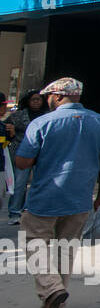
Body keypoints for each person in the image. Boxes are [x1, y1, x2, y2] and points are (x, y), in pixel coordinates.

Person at [12, 78, 100, 308]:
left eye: (49, 97)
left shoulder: (42, 123)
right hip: (79, 198)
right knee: (65, 250)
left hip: (45, 197)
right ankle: (56, 305)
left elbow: (22, 162)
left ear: (57, 97)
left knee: (33, 242)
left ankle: (51, 289)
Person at [4, 90, 45, 225]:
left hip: (41, 153)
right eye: (33, 99)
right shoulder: (19, 116)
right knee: (20, 183)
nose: (36, 102)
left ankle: (29, 210)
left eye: (38, 99)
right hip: (22, 151)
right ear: (28, 101)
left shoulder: (47, 116)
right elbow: (5, 125)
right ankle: (15, 212)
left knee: (38, 183)